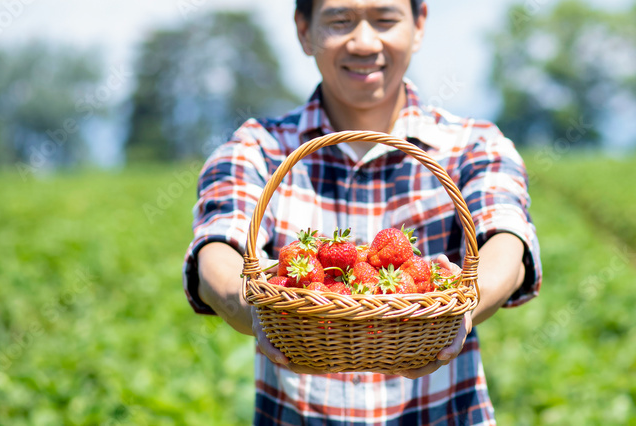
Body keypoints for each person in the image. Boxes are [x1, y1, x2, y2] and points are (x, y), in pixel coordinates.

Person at [181, 0, 542, 424]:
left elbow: (507, 244)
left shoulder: (475, 145)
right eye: (340, 21)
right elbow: (217, 253)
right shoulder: (256, 148)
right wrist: (254, 309)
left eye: (385, 19)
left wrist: (460, 309)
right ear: (303, 29)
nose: (365, 42)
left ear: (419, 24)